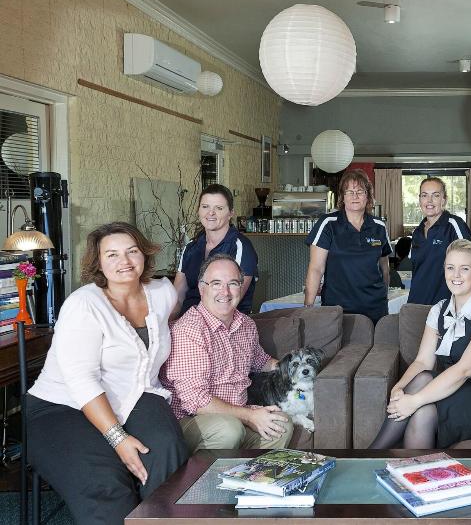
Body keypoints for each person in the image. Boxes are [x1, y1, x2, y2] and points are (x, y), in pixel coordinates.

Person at [27, 222, 188, 525]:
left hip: (133, 394)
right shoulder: (83, 305)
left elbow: (168, 321)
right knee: (106, 484)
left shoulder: (162, 292)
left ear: (144, 255)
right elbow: (81, 381)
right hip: (63, 407)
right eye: (111, 254)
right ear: (98, 262)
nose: (124, 261)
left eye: (132, 251)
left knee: (167, 451)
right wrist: (118, 439)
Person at [369, 239, 471, 449]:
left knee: (420, 405)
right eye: (450, 268)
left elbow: (464, 370)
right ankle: (389, 461)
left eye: (464, 269)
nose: (456, 275)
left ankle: (370, 455)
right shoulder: (438, 310)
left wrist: (414, 400)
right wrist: (398, 388)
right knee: (423, 402)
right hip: (450, 391)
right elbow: (422, 362)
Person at [160, 254, 293, 452]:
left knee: (280, 425)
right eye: (216, 283)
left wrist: (294, 368)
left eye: (232, 283)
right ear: (201, 288)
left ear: (241, 287)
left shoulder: (245, 324)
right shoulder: (189, 330)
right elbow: (195, 400)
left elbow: (259, 360)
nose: (225, 292)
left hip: (235, 414)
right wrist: (249, 416)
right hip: (191, 419)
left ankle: (251, 472)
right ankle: (203, 472)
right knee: (228, 430)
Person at [304, 169, 392, 324]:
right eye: (349, 192)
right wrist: (308, 307)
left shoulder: (379, 226)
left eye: (360, 191)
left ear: (367, 196)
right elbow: (316, 269)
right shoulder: (328, 224)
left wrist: (383, 297)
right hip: (338, 310)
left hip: (375, 309)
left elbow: (384, 269)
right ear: (342, 197)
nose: (355, 196)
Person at [172, 184, 257, 318]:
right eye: (205, 206)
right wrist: (166, 324)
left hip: (225, 323)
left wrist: (192, 323)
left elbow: (229, 300)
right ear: (198, 210)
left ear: (231, 213)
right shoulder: (190, 247)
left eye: (219, 208)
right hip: (186, 322)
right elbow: (178, 297)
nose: (210, 213)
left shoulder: (241, 247)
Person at [408, 177, 471, 305]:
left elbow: (470, 266)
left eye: (435, 195)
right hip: (416, 303)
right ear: (419, 200)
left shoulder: (454, 225)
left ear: (444, 199)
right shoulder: (417, 232)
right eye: (424, 195)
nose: (429, 200)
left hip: (445, 305)